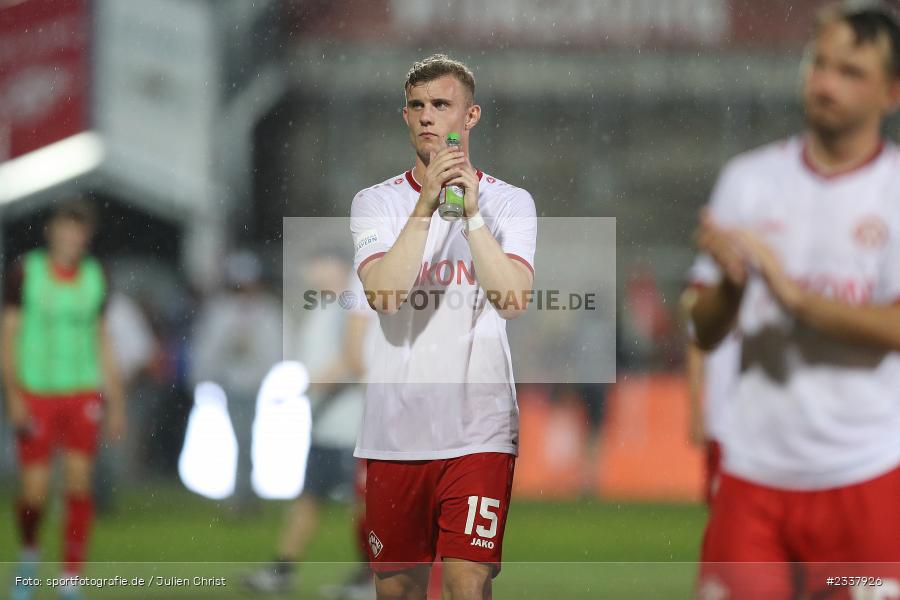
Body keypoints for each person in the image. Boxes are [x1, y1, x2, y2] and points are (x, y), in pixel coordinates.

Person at [688, 3, 900, 598]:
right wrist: (730, 288)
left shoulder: (894, 191)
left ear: (891, 92)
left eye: (851, 72)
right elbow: (702, 329)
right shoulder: (749, 180)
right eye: (820, 65)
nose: (826, 83)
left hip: (865, 476)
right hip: (755, 478)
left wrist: (792, 297)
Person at [349, 54, 537, 600]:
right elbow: (384, 294)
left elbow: (513, 298)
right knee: (398, 592)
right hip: (395, 433)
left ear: (470, 116)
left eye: (441, 105)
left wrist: (472, 215)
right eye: (417, 106)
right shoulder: (375, 203)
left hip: (479, 432)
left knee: (465, 586)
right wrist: (427, 204)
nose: (428, 116)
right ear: (404, 116)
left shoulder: (510, 203)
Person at [3, 198, 126, 600]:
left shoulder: (96, 276)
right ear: (51, 231)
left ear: (86, 236)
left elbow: (103, 339)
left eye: (79, 230)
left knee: (78, 483)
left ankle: (70, 577)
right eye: (65, 228)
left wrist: (116, 400)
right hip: (36, 391)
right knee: (34, 493)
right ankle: (30, 552)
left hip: (81, 392)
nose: (72, 237)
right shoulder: (27, 272)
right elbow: (8, 336)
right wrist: (13, 394)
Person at [242, 249, 375, 598]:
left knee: (361, 504)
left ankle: (370, 575)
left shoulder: (351, 305)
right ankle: (282, 569)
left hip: (350, 422)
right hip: (324, 422)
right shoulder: (324, 308)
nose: (311, 272)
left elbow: (353, 359)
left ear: (339, 268)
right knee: (309, 498)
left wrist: (309, 388)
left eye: (320, 264)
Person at [190, 250, 282, 516]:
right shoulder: (222, 311)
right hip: (228, 384)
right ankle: (243, 494)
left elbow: (275, 350)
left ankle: (244, 495)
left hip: (255, 384)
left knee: (246, 438)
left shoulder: (266, 311)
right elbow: (208, 347)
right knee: (239, 439)